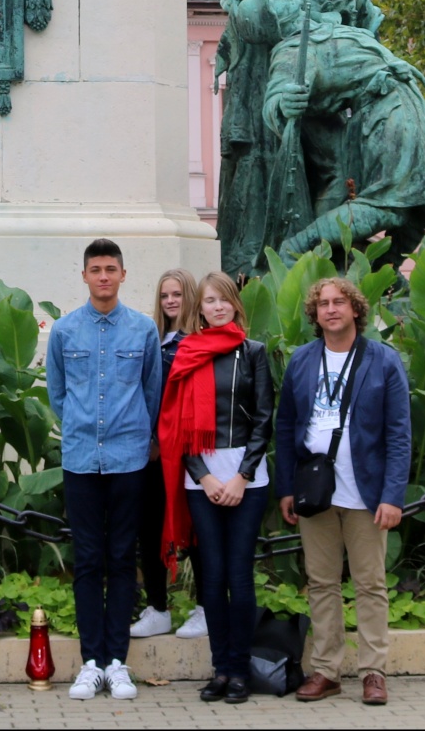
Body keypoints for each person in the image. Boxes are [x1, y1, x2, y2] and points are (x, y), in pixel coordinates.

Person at [214, 0, 384, 279]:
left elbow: (369, 42)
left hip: (327, 102)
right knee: (275, 175)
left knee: (345, 167)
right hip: (281, 98)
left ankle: (321, 257)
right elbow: (238, 3)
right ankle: (284, 263)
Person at [275, 277, 410, 707]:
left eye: (339, 302)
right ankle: (327, 670)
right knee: (321, 583)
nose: (331, 309)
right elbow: (284, 427)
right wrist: (286, 488)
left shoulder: (384, 361)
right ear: (314, 315)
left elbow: (399, 434)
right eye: (323, 304)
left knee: (370, 584)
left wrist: (393, 495)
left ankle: (373, 671)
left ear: (355, 310)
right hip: (315, 490)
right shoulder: (301, 360)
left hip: (366, 492)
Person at [46, 239, 162, 701]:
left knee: (121, 558)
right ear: (84, 276)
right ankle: (90, 662)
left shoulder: (143, 330)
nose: (103, 277)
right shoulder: (64, 331)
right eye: (95, 269)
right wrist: (78, 429)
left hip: (129, 458)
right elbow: (58, 394)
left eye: (111, 269)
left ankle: (117, 662)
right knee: (89, 561)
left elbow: (151, 391)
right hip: (80, 459)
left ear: (123, 274)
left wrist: (140, 436)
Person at [158, 271, 273, 705]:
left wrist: (241, 477)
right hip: (200, 477)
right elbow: (174, 425)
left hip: (246, 477)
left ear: (235, 305)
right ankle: (220, 668)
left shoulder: (255, 353)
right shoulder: (187, 353)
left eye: (224, 299)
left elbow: (264, 419)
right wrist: (205, 477)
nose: (218, 307)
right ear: (199, 308)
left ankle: (240, 670)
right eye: (209, 301)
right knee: (212, 577)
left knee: (239, 576)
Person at [263, 21, 425, 269]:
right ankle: (298, 249)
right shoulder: (301, 47)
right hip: (393, 106)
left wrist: (283, 101)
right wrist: (284, 102)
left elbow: (280, 94)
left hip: (396, 106)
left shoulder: (315, 41)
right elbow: (280, 95)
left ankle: (382, 271)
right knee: (406, 206)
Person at [130, 269, 208, 641]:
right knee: (150, 529)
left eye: (177, 294)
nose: (171, 301)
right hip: (153, 454)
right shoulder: (154, 340)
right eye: (164, 296)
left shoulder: (201, 342)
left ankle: (206, 608)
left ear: (190, 297)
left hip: (190, 454)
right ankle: (157, 607)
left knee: (194, 531)